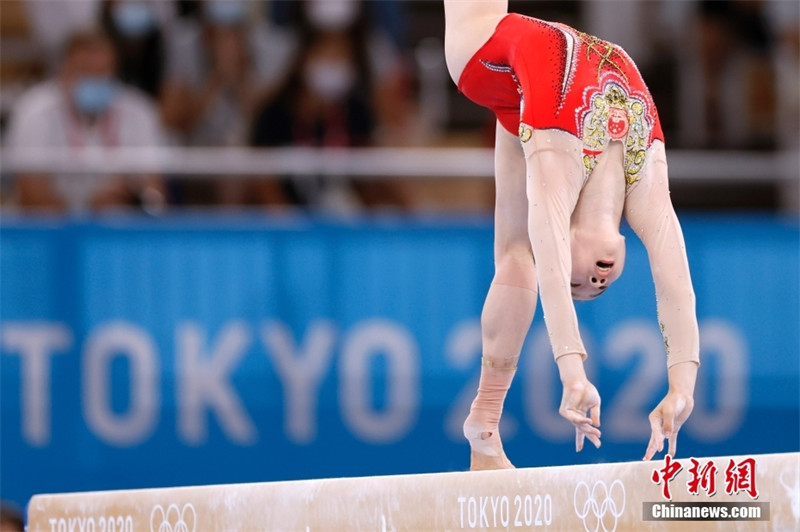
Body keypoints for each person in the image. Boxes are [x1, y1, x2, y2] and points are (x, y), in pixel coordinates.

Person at [443, 0, 699, 470]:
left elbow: (548, 254)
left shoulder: (558, 169)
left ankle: (487, 411)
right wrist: (683, 386)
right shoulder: (644, 177)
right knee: (519, 255)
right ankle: (483, 428)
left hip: (483, 54)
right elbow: (675, 281)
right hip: (524, 87)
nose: (593, 283)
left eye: (574, 283)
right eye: (597, 287)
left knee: (520, 253)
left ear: (563, 244)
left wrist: (572, 371)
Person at [5, 27, 165, 213]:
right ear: (64, 69)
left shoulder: (139, 111)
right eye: (86, 71)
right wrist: (86, 212)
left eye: (102, 71)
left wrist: (136, 197)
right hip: (53, 227)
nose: (95, 80)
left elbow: (155, 194)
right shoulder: (34, 111)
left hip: (118, 225)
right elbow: (31, 193)